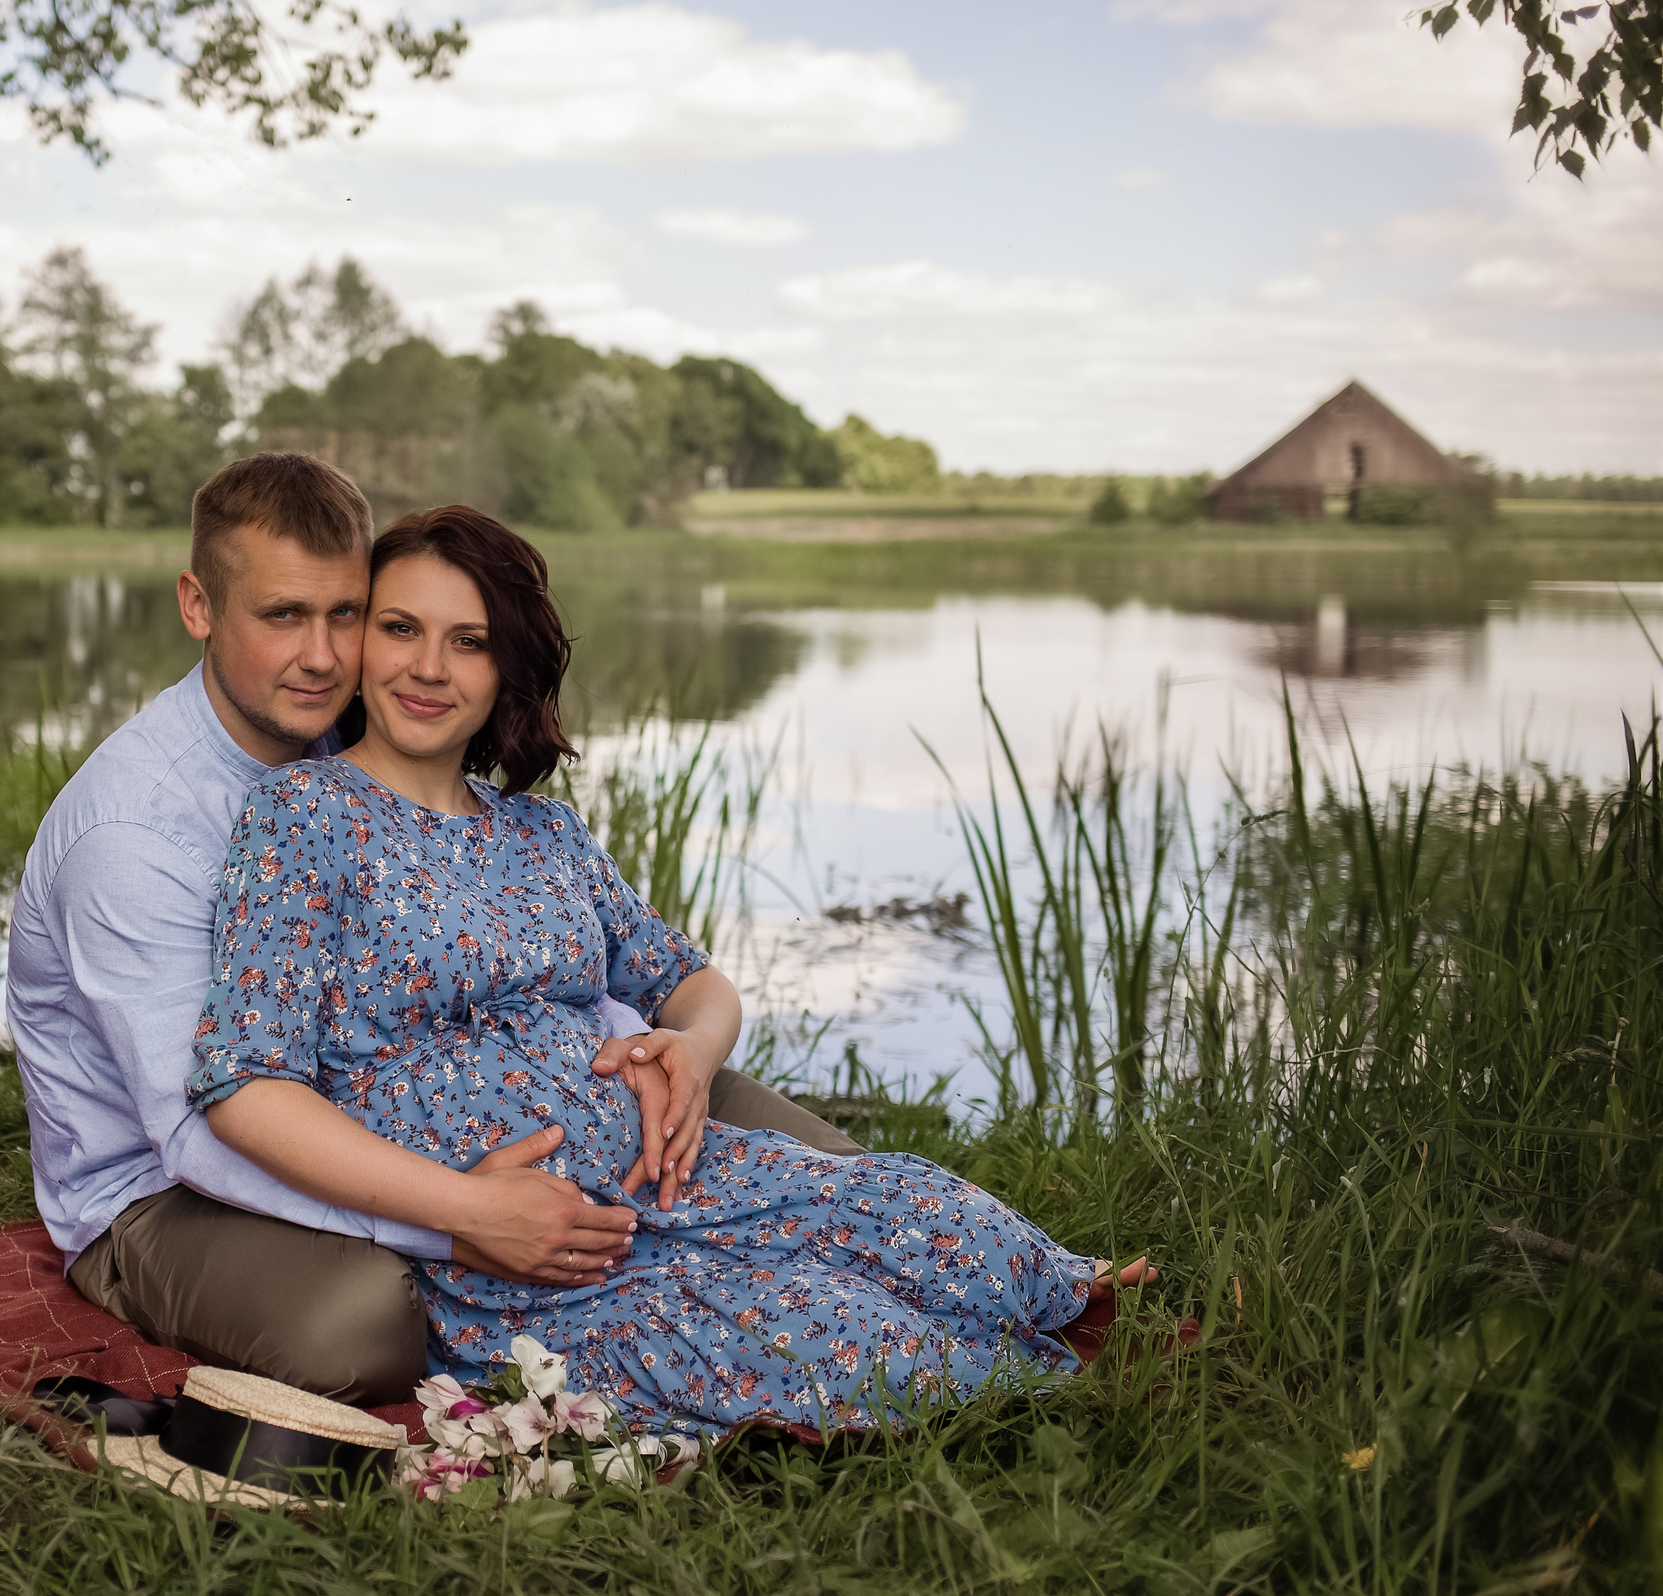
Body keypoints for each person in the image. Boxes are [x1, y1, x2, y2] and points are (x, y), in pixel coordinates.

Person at [186, 505, 1147, 1434]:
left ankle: (1087, 1305)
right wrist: (470, 1208)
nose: (428, 668)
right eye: (401, 628)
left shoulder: (543, 833)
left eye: (469, 641)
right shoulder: (306, 815)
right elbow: (245, 1084)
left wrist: (692, 1052)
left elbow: (697, 983)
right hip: (529, 1254)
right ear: (362, 643)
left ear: (505, 666)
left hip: (674, 1174)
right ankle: (1045, 1386)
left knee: (924, 1211)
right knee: (833, 1334)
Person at [8, 454, 865, 1406]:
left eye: (348, 614)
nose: (325, 655)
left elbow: (580, 948)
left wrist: (652, 1064)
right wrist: (463, 1218)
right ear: (199, 606)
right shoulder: (133, 835)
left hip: (440, 1107)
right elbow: (197, 1128)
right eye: (283, 614)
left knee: (829, 1175)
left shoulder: (351, 731)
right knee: (370, 1324)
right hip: (166, 1193)